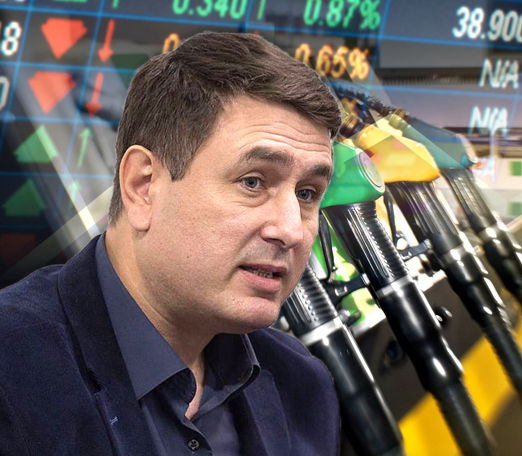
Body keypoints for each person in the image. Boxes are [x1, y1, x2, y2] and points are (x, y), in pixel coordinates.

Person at [0, 32, 342, 455]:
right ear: (143, 186)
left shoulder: (303, 387)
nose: (290, 230)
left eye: (307, 193)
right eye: (253, 182)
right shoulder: (11, 373)